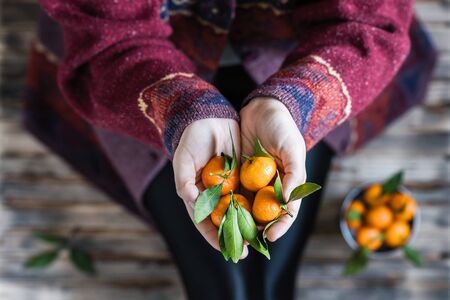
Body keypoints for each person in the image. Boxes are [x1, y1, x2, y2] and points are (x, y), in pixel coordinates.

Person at [25, 1, 436, 299]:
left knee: (273, 282)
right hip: (139, 65)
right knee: (219, 288)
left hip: (299, 51)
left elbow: (369, 18)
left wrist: (294, 104)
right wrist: (183, 108)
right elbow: (108, 36)